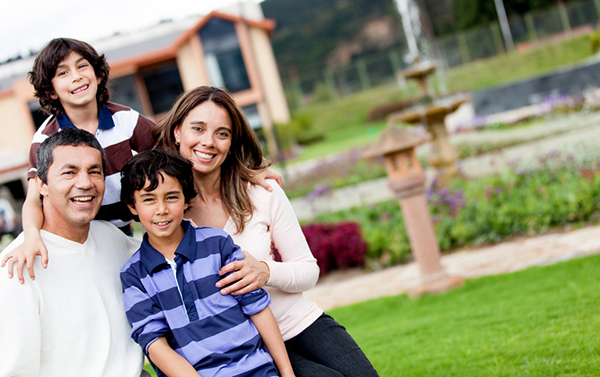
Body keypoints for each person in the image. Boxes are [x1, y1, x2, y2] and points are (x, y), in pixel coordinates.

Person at [2, 37, 280, 283]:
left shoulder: (125, 120)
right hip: (78, 237)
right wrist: (31, 236)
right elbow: (33, 200)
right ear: (50, 91)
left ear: (98, 75)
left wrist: (245, 173)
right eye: (63, 72)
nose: (76, 76)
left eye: (82, 66)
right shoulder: (45, 140)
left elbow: (178, 155)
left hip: (123, 237)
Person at [154, 86, 378, 376]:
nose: (208, 142)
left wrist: (265, 271)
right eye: (198, 128)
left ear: (232, 142)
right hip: (245, 347)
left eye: (222, 133)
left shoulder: (263, 192)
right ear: (177, 132)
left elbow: (308, 271)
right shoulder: (169, 215)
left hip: (298, 323)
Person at [119, 148, 295, 377]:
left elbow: (257, 307)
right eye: (148, 200)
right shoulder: (134, 275)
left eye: (171, 197)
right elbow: (154, 344)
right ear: (132, 206)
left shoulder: (217, 244)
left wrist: (287, 371)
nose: (161, 210)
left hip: (257, 371)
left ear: (185, 200)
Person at [0, 127, 146, 377]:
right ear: (42, 185)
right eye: (69, 172)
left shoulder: (113, 239)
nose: (85, 183)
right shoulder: (16, 266)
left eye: (94, 172)